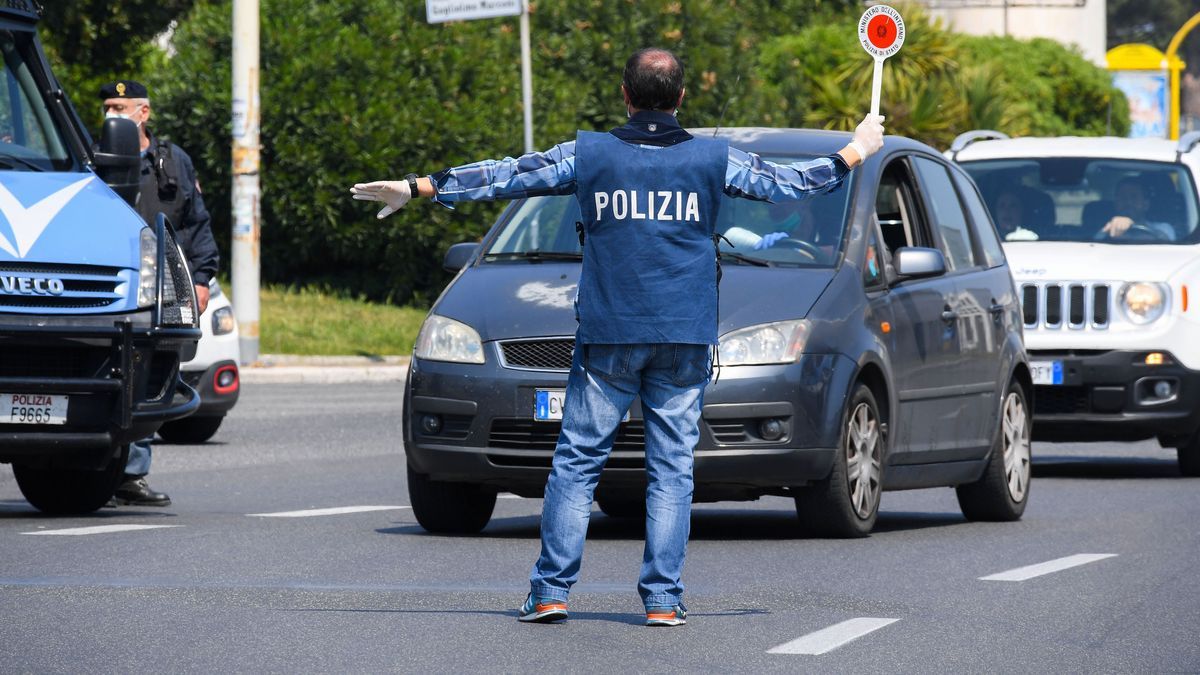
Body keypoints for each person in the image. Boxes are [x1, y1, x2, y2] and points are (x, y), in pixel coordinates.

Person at [351, 48, 883, 626]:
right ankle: (662, 600)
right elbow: (791, 185)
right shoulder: (713, 158)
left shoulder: (590, 154)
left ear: (625, 96)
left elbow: (508, 174)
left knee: (578, 462)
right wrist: (857, 148)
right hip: (685, 335)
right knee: (673, 467)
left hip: (607, 336)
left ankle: (551, 592)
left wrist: (420, 186)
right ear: (681, 98)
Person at [100, 80, 219, 507]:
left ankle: (130, 475)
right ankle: (98, 472)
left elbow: (195, 223)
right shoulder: (92, 158)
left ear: (143, 113)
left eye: (120, 106)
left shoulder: (173, 162)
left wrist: (203, 280)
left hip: (159, 289)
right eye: (108, 107)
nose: (111, 115)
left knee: (149, 379)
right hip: (109, 288)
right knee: (103, 378)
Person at [1096, 177, 1175, 241]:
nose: (1128, 202)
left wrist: (1133, 224)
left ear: (1146, 204)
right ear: (1116, 203)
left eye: (1134, 197)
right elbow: (1094, 247)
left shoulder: (1163, 228)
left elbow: (1168, 247)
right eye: (1122, 197)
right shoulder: (1107, 228)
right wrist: (1108, 231)